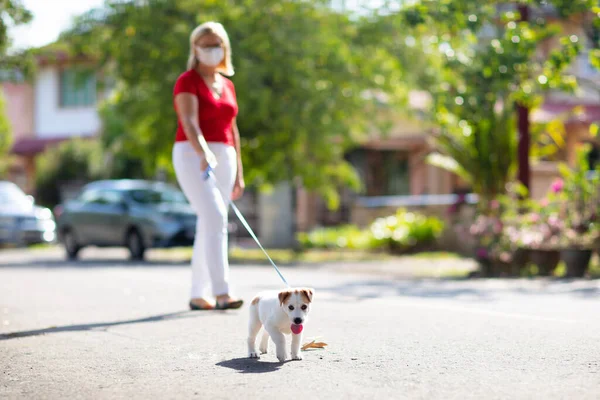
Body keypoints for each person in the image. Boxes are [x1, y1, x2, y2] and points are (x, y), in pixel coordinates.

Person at [172, 21, 245, 311]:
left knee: (210, 222)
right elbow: (189, 121)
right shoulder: (186, 80)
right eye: (206, 44)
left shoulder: (227, 85)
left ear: (224, 48)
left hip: (226, 155)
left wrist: (240, 171)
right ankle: (222, 292)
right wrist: (202, 151)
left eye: (217, 44)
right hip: (192, 154)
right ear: (195, 48)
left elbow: (234, 129)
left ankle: (197, 293)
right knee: (215, 217)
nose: (212, 50)